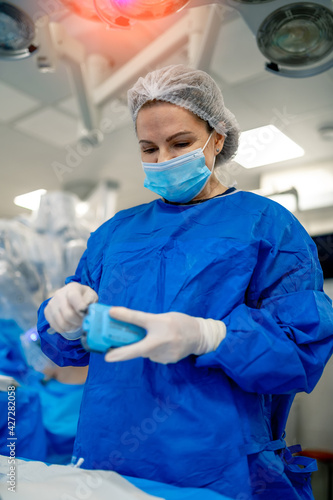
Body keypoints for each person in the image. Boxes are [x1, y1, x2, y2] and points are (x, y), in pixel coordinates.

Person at [37, 65, 333, 499]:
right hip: (108, 455)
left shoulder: (266, 225)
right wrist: (62, 320)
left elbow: (302, 347)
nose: (164, 160)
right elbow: (68, 349)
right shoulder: (115, 233)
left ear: (217, 138)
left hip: (217, 463)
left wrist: (209, 336)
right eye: (148, 148)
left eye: (180, 144)